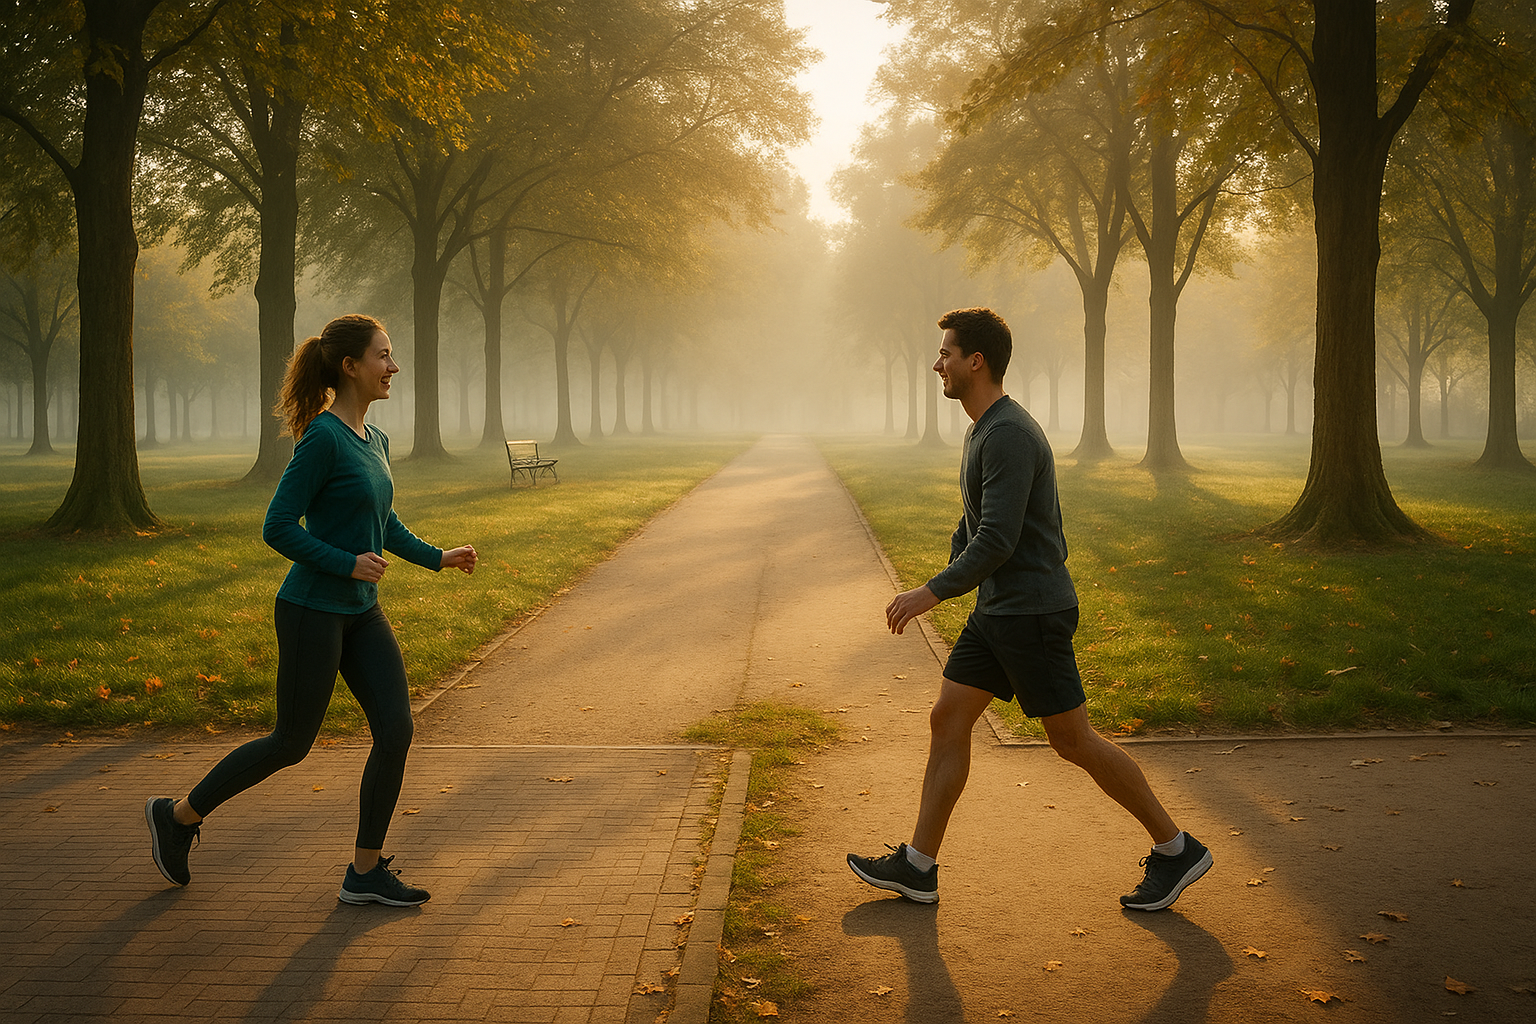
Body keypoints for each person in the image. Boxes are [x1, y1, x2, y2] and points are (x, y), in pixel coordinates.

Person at [847, 307, 1211, 911]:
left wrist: (929, 593)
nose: (936, 362)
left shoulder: (1011, 433)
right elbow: (975, 526)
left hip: (1031, 613)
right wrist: (953, 558)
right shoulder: (982, 430)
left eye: (945, 352)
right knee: (948, 719)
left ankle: (1176, 850)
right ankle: (918, 866)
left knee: (1072, 740)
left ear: (976, 360)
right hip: (999, 612)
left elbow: (999, 539)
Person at [145, 314, 477, 907]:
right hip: (311, 610)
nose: (393, 367)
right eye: (383, 356)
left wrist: (438, 558)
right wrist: (345, 563)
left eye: (392, 355)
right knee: (291, 743)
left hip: (361, 611)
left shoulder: (375, 440)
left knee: (396, 730)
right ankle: (178, 815)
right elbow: (277, 526)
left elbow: (383, 522)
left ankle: (364, 871)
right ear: (350, 366)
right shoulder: (322, 438)